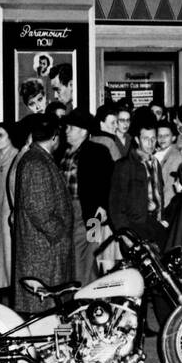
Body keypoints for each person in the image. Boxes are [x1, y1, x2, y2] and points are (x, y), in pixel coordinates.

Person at [11, 114, 77, 315]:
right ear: (55, 137)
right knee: (44, 306)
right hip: (44, 249)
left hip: (44, 247)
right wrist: (59, 234)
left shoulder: (37, 158)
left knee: (48, 307)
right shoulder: (37, 162)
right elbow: (38, 209)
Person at [62, 109, 115, 283]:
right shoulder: (63, 152)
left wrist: (104, 207)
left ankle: (85, 294)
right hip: (67, 211)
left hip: (93, 213)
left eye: (71, 127)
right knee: (75, 255)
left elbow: (109, 182)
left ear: (83, 131)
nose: (66, 130)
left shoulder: (98, 152)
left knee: (91, 252)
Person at [107, 122, 167, 245]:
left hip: (155, 225)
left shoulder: (156, 163)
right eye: (145, 139)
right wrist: (125, 234)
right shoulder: (125, 165)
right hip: (136, 227)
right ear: (137, 140)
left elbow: (159, 194)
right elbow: (116, 205)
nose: (150, 143)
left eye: (153, 138)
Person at [0, 123, 17, 295]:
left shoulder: (16, 156)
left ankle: (12, 285)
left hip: (9, 206)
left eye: (2, 135)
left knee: (10, 247)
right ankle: (0, 286)